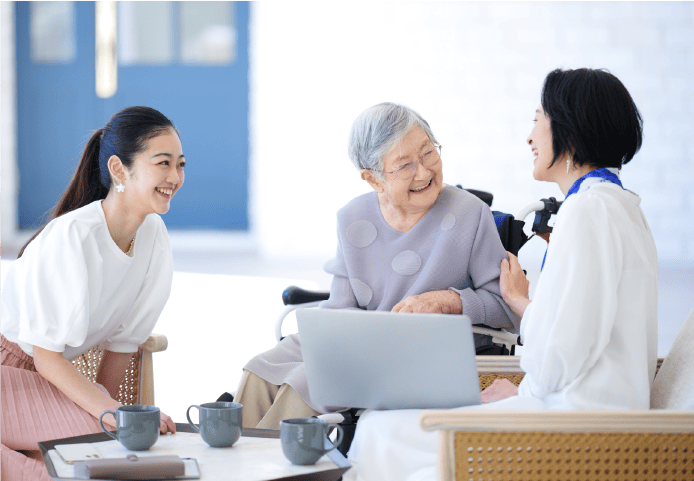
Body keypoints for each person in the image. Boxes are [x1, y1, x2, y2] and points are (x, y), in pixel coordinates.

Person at [343, 68, 658, 481]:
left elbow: (562, 354)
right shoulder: (622, 206)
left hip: (577, 425)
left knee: (378, 433)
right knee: (380, 433)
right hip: (587, 409)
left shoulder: (587, 212)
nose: (530, 137)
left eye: (537, 121)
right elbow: (583, 333)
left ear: (569, 133)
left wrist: (521, 322)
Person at [234, 102, 520, 430]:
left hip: (429, 352)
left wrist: (447, 301)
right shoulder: (352, 218)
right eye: (405, 165)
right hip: (365, 341)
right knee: (260, 370)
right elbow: (340, 307)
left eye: (428, 153)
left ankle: (273, 468)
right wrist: (347, 336)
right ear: (374, 179)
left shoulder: (469, 214)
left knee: (302, 386)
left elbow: (507, 308)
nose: (424, 172)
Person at [0, 106, 184, 480]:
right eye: (162, 163)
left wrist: (115, 417)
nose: (175, 177)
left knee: (107, 451)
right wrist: (110, 414)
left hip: (42, 375)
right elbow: (48, 358)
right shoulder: (72, 237)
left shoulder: (154, 239)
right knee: (96, 446)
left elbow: (122, 346)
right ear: (119, 169)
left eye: (180, 164)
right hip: (12, 369)